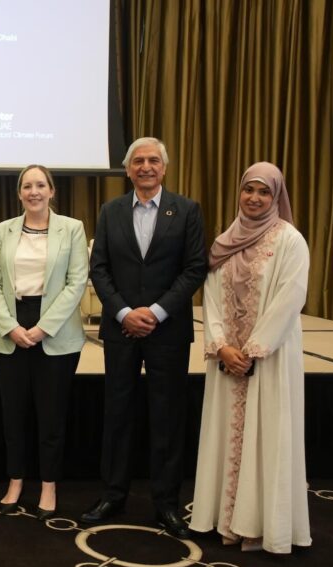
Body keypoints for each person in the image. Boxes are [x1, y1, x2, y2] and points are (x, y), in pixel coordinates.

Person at [81, 137, 207, 539]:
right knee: (117, 414)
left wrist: (153, 312)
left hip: (166, 330)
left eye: (154, 160)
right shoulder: (110, 211)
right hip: (120, 330)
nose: (146, 166)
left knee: (167, 417)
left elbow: (194, 269)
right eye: (139, 161)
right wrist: (123, 312)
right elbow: (99, 268)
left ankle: (167, 504)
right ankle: (112, 495)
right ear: (128, 168)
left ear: (164, 168)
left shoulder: (187, 210)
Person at [190, 162, 311, 553]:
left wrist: (253, 348)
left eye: (264, 192)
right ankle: (225, 520)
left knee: (267, 436)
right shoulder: (225, 241)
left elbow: (290, 298)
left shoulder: (290, 241)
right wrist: (222, 344)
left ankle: (261, 526)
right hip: (227, 360)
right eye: (249, 190)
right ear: (239, 193)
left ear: (276, 197)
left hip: (269, 360)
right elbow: (210, 297)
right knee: (227, 436)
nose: (255, 198)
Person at [0, 165, 88, 519]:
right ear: (19, 193)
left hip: (55, 331)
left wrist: (42, 328)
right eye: (27, 186)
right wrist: (11, 326)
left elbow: (77, 283)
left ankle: (48, 485)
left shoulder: (71, 229)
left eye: (40, 185)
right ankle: (15, 481)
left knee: (51, 414)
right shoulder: (3, 230)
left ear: (52, 190)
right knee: (13, 414)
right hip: (10, 328)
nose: (34, 191)